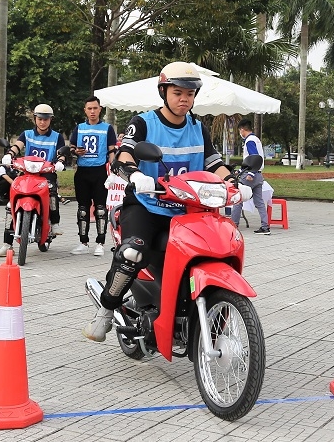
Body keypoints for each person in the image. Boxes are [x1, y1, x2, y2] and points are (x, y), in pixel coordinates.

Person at [82, 61, 251, 342]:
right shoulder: (143, 123)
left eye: (190, 93)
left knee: (216, 249)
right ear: (164, 92)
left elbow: (214, 163)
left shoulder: (198, 127)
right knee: (132, 253)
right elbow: (124, 154)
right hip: (147, 206)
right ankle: (106, 310)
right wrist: (135, 174)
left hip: (188, 210)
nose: (185, 99)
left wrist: (234, 182)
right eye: (178, 92)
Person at [0, 104, 68, 257]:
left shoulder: (57, 136)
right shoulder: (27, 134)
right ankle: (7, 244)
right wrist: (9, 154)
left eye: (46, 119)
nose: (43, 122)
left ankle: (54, 222)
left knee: (52, 192)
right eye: (40, 119)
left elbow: (62, 152)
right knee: (11, 203)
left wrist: (60, 161)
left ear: (51, 120)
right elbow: (17, 146)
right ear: (35, 119)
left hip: (46, 173)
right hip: (26, 173)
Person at [69, 96, 118, 256]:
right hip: (82, 171)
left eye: (95, 108)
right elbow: (72, 148)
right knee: (82, 209)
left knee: (101, 209)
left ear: (100, 109)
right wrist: (76, 151)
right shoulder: (79, 128)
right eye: (89, 108)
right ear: (85, 110)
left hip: (99, 172)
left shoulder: (107, 128)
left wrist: (113, 171)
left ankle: (100, 242)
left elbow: (111, 151)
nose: (92, 111)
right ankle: (83, 241)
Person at [230, 118, 271, 235]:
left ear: (242, 130)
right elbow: (251, 160)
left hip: (251, 176)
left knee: (238, 199)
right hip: (259, 176)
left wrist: (250, 173)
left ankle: (234, 224)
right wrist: (241, 170)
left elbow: (254, 157)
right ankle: (265, 227)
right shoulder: (256, 139)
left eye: (240, 131)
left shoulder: (249, 141)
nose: (240, 133)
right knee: (259, 202)